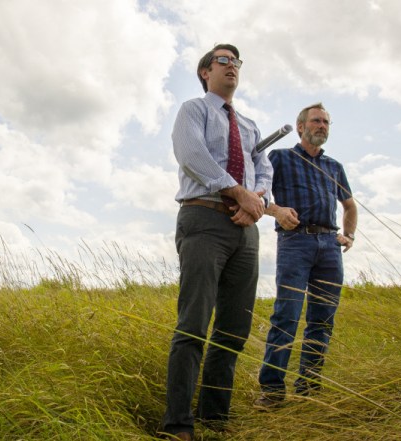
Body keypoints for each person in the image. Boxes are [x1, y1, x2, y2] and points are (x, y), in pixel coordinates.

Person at [160, 43, 272, 440]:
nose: (232, 67)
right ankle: (178, 425)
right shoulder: (195, 110)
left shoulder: (250, 126)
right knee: (193, 325)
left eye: (237, 62)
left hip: (246, 230)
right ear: (205, 71)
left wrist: (254, 200)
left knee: (234, 328)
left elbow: (263, 168)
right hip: (204, 219)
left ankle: (214, 418)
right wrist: (234, 191)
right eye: (223, 61)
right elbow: (191, 154)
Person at [255, 102, 358, 407]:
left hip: (329, 247)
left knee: (322, 320)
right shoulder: (281, 158)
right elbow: (259, 195)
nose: (322, 126)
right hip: (295, 243)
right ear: (300, 127)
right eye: (316, 121)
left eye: (326, 122)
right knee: (286, 315)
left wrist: (348, 235)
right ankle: (272, 391)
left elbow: (350, 205)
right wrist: (276, 211)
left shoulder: (334, 166)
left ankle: (308, 388)